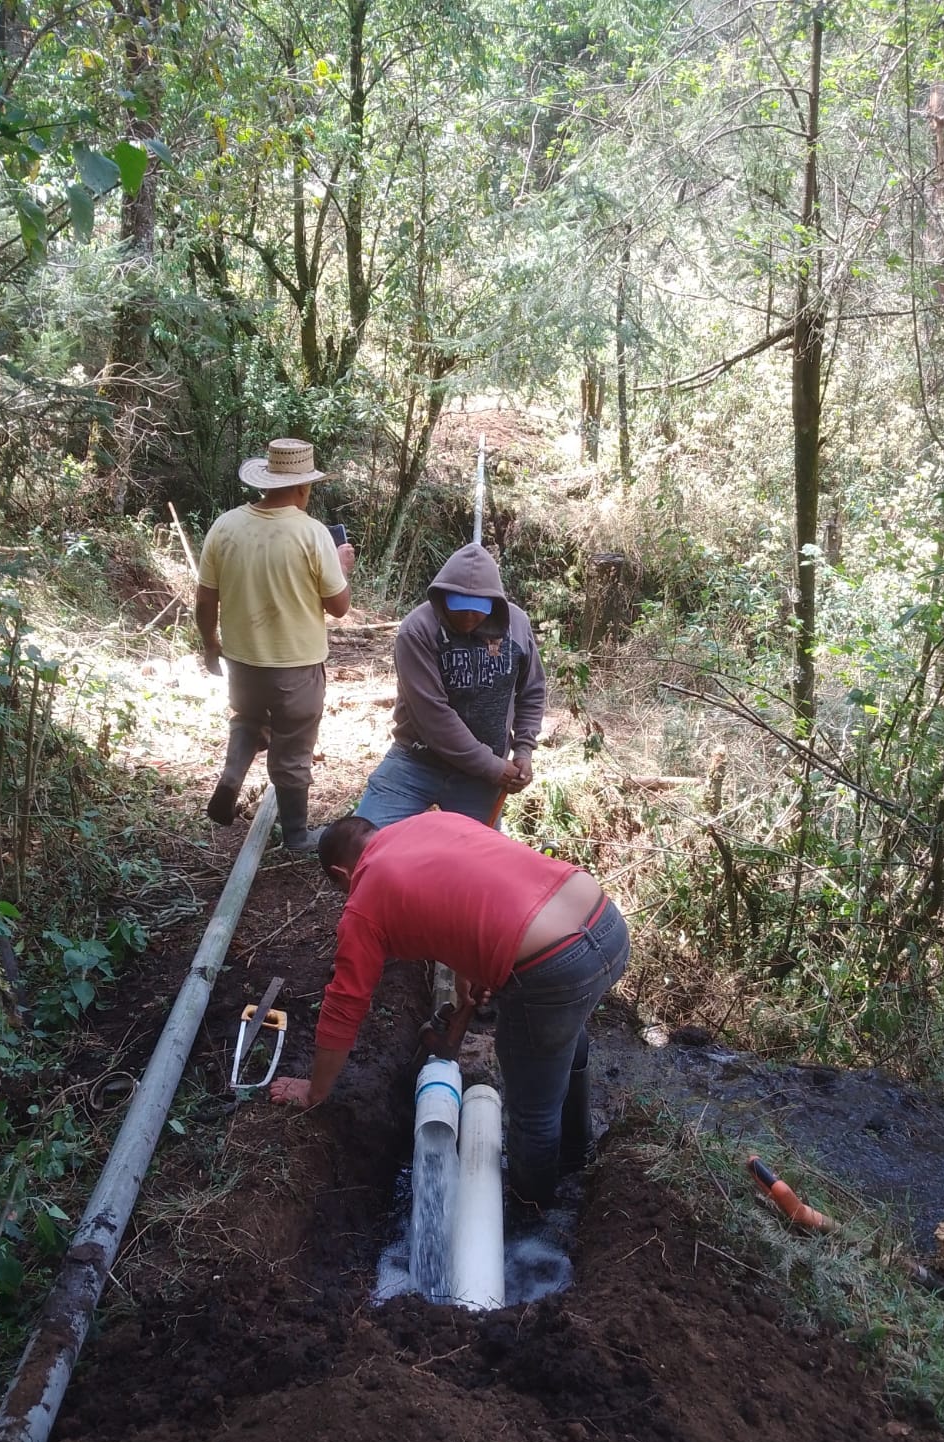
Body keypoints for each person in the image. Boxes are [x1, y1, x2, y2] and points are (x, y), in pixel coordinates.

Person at [269, 811, 630, 1206]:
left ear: (341, 873)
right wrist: (468, 970)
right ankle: (579, 1158)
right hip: (604, 923)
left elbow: (344, 1004)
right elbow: (468, 890)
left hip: (554, 966)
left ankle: (534, 1222)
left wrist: (315, 1091)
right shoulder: (429, 823)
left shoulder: (364, 897)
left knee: (532, 1109)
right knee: (560, 1037)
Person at [195, 438, 354, 853]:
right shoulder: (313, 533)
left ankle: (231, 778)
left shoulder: (226, 525)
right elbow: (338, 607)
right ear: (304, 488)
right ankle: (298, 836)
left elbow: (205, 599)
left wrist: (211, 646)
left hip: (243, 660)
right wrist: (343, 567)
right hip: (296, 666)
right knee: (293, 746)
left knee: (247, 718)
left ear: (266, 482)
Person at [354, 543, 545, 828]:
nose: (468, 617)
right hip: (416, 762)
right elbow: (434, 716)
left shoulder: (516, 625)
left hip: (480, 777)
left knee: (479, 860)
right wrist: (493, 767)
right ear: (442, 597)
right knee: (362, 842)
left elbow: (531, 691)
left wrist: (523, 750)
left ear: (494, 603)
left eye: (477, 610)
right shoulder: (417, 630)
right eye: (460, 608)